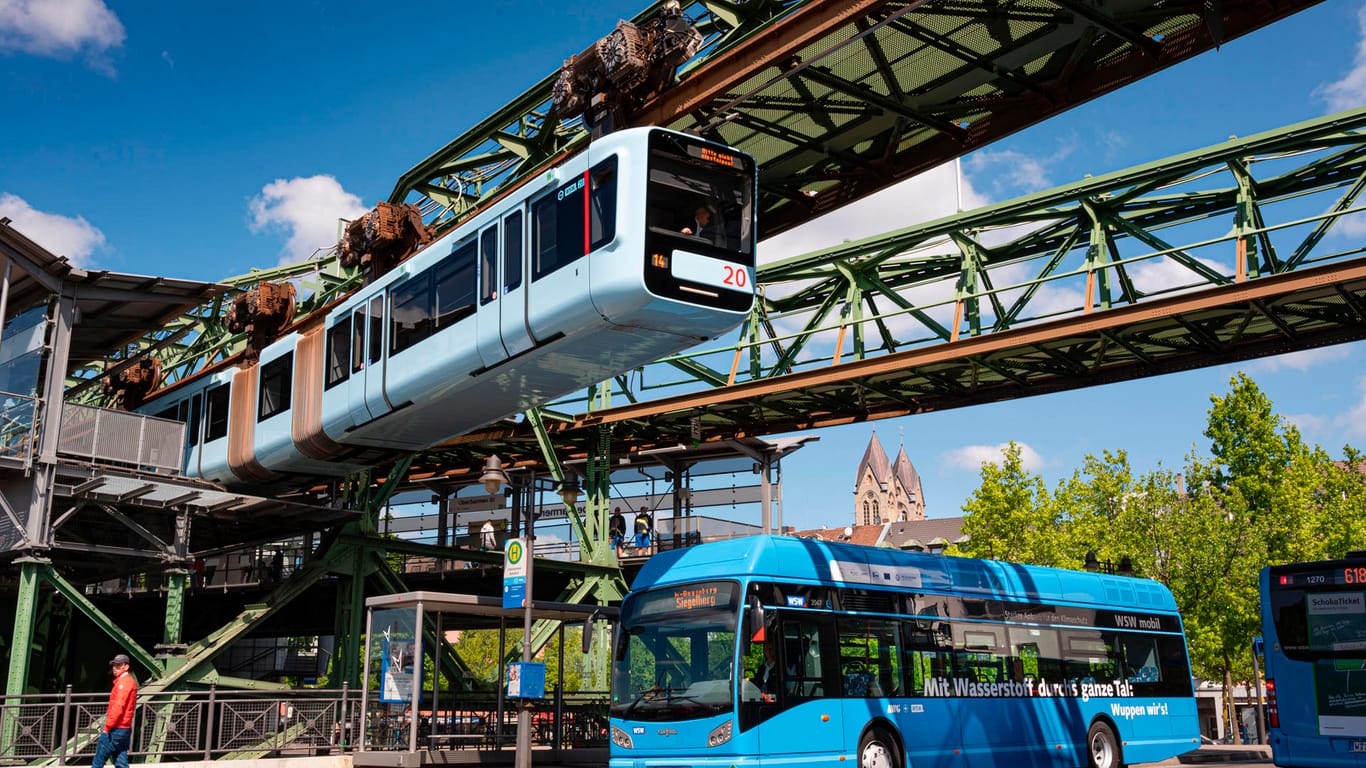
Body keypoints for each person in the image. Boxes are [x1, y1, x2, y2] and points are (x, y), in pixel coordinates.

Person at [92, 653, 136, 768]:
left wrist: (107, 727)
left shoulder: (123, 683)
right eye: (114, 665)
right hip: (124, 728)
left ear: (126, 667)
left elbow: (118, 707)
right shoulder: (127, 681)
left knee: (98, 761)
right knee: (121, 761)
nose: (114, 668)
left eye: (118, 665)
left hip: (116, 728)